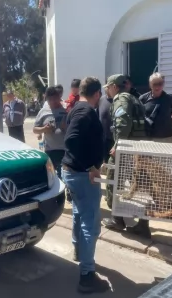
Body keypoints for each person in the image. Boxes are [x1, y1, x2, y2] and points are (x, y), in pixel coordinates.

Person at [61, 77, 109, 294]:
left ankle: (79, 253)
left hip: (73, 172)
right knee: (91, 224)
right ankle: (87, 276)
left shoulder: (75, 108)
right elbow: (71, 139)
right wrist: (90, 166)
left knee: (79, 214)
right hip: (81, 174)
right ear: (97, 93)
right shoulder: (86, 111)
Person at [100, 74, 152, 238]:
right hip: (138, 150)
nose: (107, 91)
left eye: (108, 87)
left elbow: (123, 122)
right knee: (141, 184)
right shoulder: (134, 98)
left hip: (127, 150)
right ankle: (143, 224)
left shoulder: (120, 99)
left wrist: (118, 145)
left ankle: (117, 219)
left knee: (114, 180)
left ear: (114, 86)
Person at [34, 86, 68, 178]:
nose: (53, 101)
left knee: (63, 177)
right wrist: (44, 129)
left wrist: (66, 127)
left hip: (64, 150)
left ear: (59, 98)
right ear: (47, 99)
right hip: (50, 150)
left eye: (55, 99)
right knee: (50, 177)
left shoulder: (66, 110)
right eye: (50, 99)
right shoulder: (43, 111)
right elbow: (35, 129)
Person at [140, 72, 172, 142]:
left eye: (160, 84)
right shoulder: (143, 98)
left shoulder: (171, 98)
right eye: (154, 84)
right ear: (150, 85)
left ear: (163, 84)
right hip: (148, 137)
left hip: (166, 137)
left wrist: (168, 127)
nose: (157, 87)